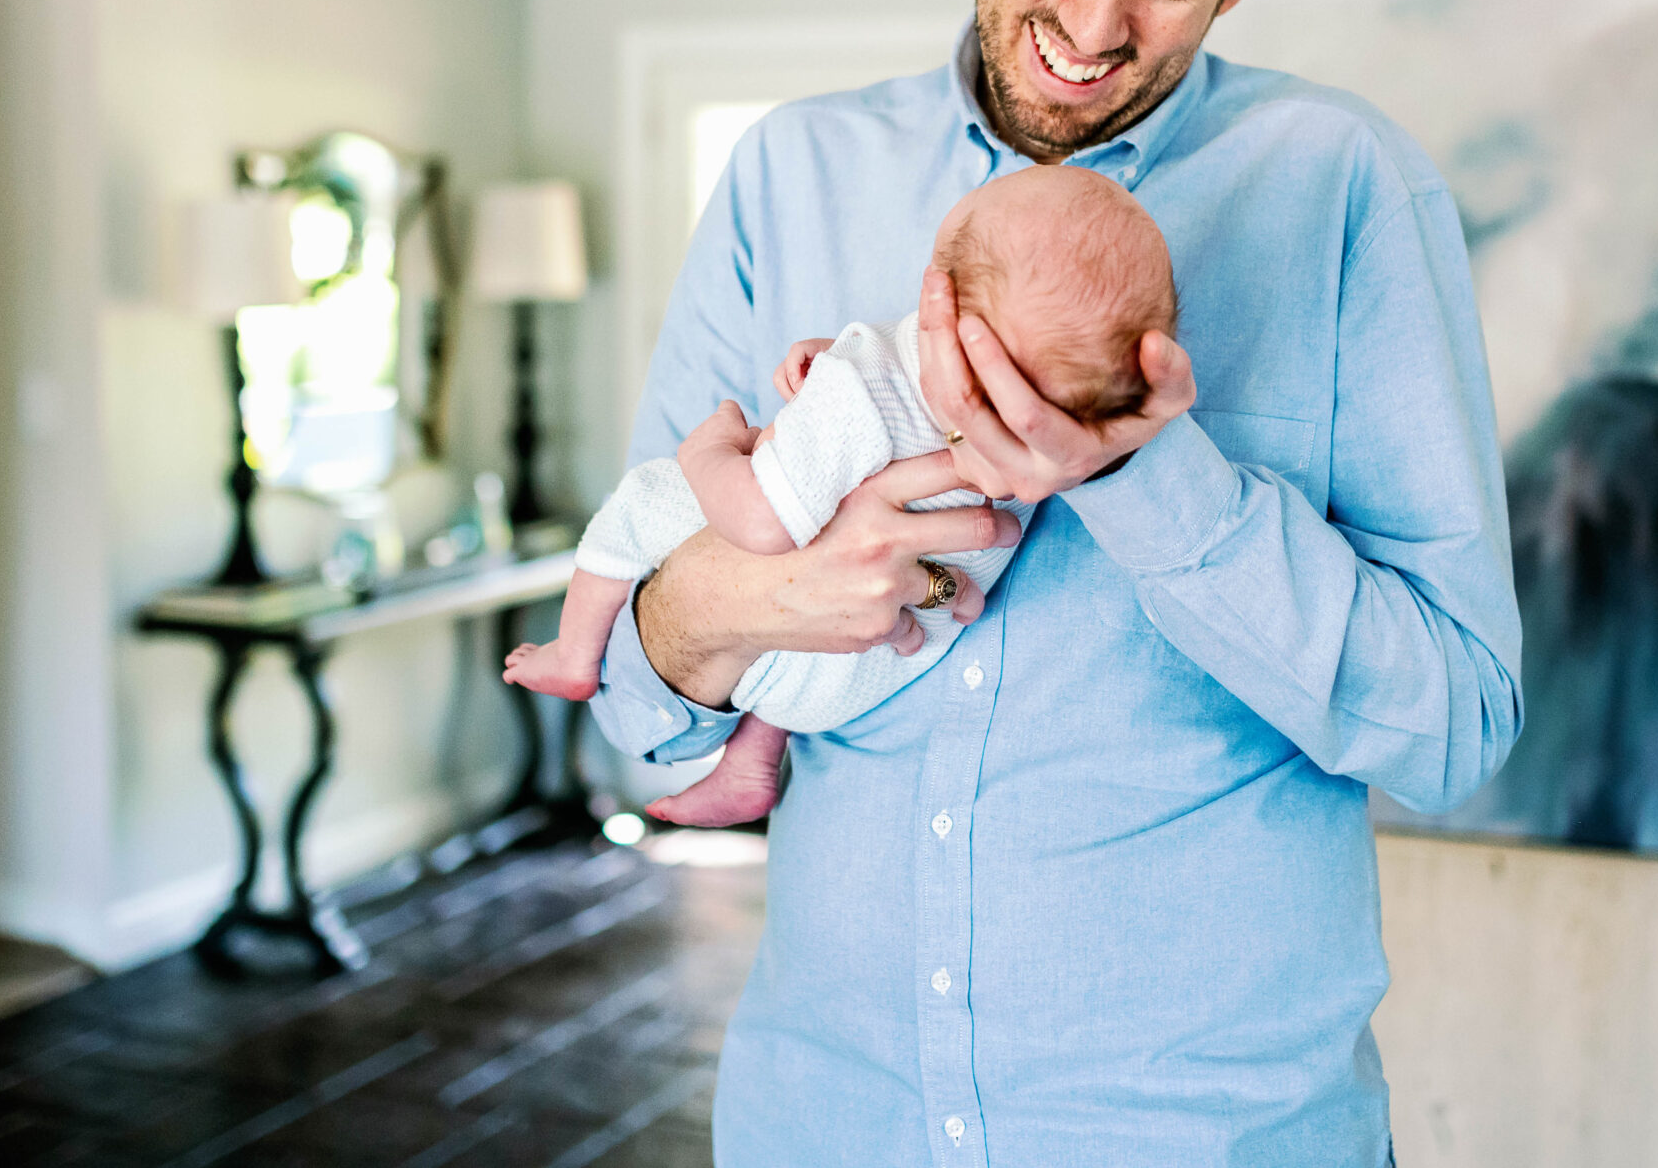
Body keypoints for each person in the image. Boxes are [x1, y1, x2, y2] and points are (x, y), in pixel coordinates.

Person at [591, 0, 1521, 1165]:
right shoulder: (793, 175)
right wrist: (744, 602)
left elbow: (1457, 722)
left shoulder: (1347, 192)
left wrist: (1154, 483)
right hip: (826, 1120)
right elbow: (640, 684)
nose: (1094, 23)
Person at [502, 166, 1175, 828]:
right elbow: (909, 398)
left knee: (643, 502)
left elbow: (760, 524)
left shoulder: (862, 390)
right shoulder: (1049, 438)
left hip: (809, 658)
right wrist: (833, 362)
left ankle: (574, 652)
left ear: (946, 302)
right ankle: (750, 763)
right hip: (879, 664)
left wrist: (708, 452)